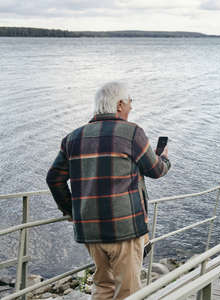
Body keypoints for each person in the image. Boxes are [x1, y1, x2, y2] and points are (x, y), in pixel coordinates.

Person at [46, 81, 171, 300]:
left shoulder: (73, 138)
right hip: (124, 229)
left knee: (103, 285)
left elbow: (53, 179)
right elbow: (156, 170)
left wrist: (73, 211)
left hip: (90, 230)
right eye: (130, 101)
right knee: (129, 291)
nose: (131, 106)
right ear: (120, 104)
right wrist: (165, 157)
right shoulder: (132, 133)